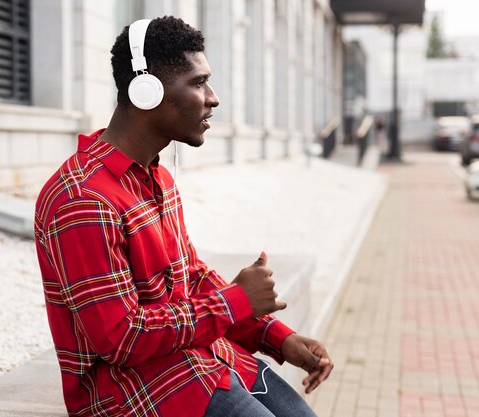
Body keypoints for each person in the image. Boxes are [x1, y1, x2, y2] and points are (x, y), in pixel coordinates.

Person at [34, 16, 333, 417]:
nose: (213, 97)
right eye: (198, 82)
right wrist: (233, 302)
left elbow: (189, 278)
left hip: (204, 362)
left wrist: (277, 338)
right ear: (147, 91)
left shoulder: (158, 178)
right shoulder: (84, 199)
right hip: (134, 395)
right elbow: (120, 337)